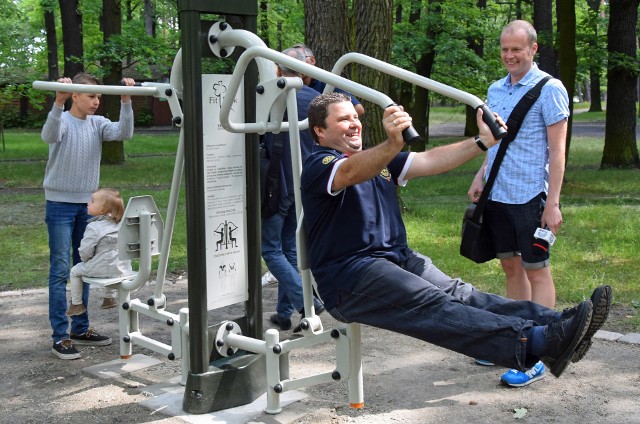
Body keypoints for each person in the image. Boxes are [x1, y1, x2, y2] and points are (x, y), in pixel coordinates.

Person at [300, 92, 611, 379]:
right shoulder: (321, 164)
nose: (354, 124)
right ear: (320, 131)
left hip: (395, 258)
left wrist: (482, 141)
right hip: (350, 276)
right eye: (343, 120)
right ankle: (541, 341)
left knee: (463, 295)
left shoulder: (380, 163)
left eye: (355, 118)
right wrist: (393, 143)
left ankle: (558, 323)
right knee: (434, 304)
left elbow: (431, 160)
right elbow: (351, 173)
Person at [466, 20, 577, 386]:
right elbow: (492, 141)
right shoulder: (495, 89)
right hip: (497, 194)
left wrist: (553, 203)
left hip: (531, 195)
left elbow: (558, 151)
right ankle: (516, 342)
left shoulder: (550, 89)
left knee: (536, 270)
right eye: (504, 49)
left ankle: (540, 353)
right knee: (511, 269)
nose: (510, 55)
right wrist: (481, 175)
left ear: (533, 49)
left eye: (517, 49)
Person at [41, 72, 136, 360]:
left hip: (88, 207)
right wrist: (56, 104)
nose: (96, 102)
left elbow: (124, 132)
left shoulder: (98, 124)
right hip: (59, 204)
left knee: (85, 266)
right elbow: (49, 135)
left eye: (98, 96)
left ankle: (80, 328)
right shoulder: (63, 120)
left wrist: (126, 101)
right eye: (91, 96)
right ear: (75, 96)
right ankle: (60, 335)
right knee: (60, 270)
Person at [262, 48, 324, 332]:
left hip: (277, 183)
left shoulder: (271, 97)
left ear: (278, 70)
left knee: (270, 249)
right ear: (303, 72)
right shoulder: (315, 100)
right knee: (290, 248)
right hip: (305, 183)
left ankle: (307, 302)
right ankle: (284, 313)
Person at [66, 188, 132, 317]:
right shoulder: (123, 225)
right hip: (122, 269)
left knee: (75, 271)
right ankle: (109, 297)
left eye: (92, 201)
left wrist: (86, 260)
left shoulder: (93, 227)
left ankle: (77, 304)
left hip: (100, 269)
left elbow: (85, 252)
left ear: (103, 210)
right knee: (111, 260)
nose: (88, 204)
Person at [291, 43, 365, 116]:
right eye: (291, 60)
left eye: (300, 58)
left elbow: (358, 109)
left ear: (312, 60)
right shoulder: (285, 83)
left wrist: (327, 122)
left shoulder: (326, 81)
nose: (295, 63)